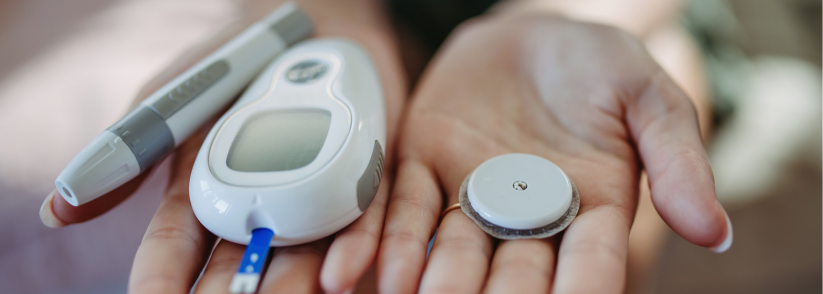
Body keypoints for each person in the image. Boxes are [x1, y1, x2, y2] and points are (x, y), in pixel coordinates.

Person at [39, 0, 731, 293]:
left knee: (656, 85)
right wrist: (330, 11)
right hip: (372, 26)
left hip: (577, 25)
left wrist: (577, 15)